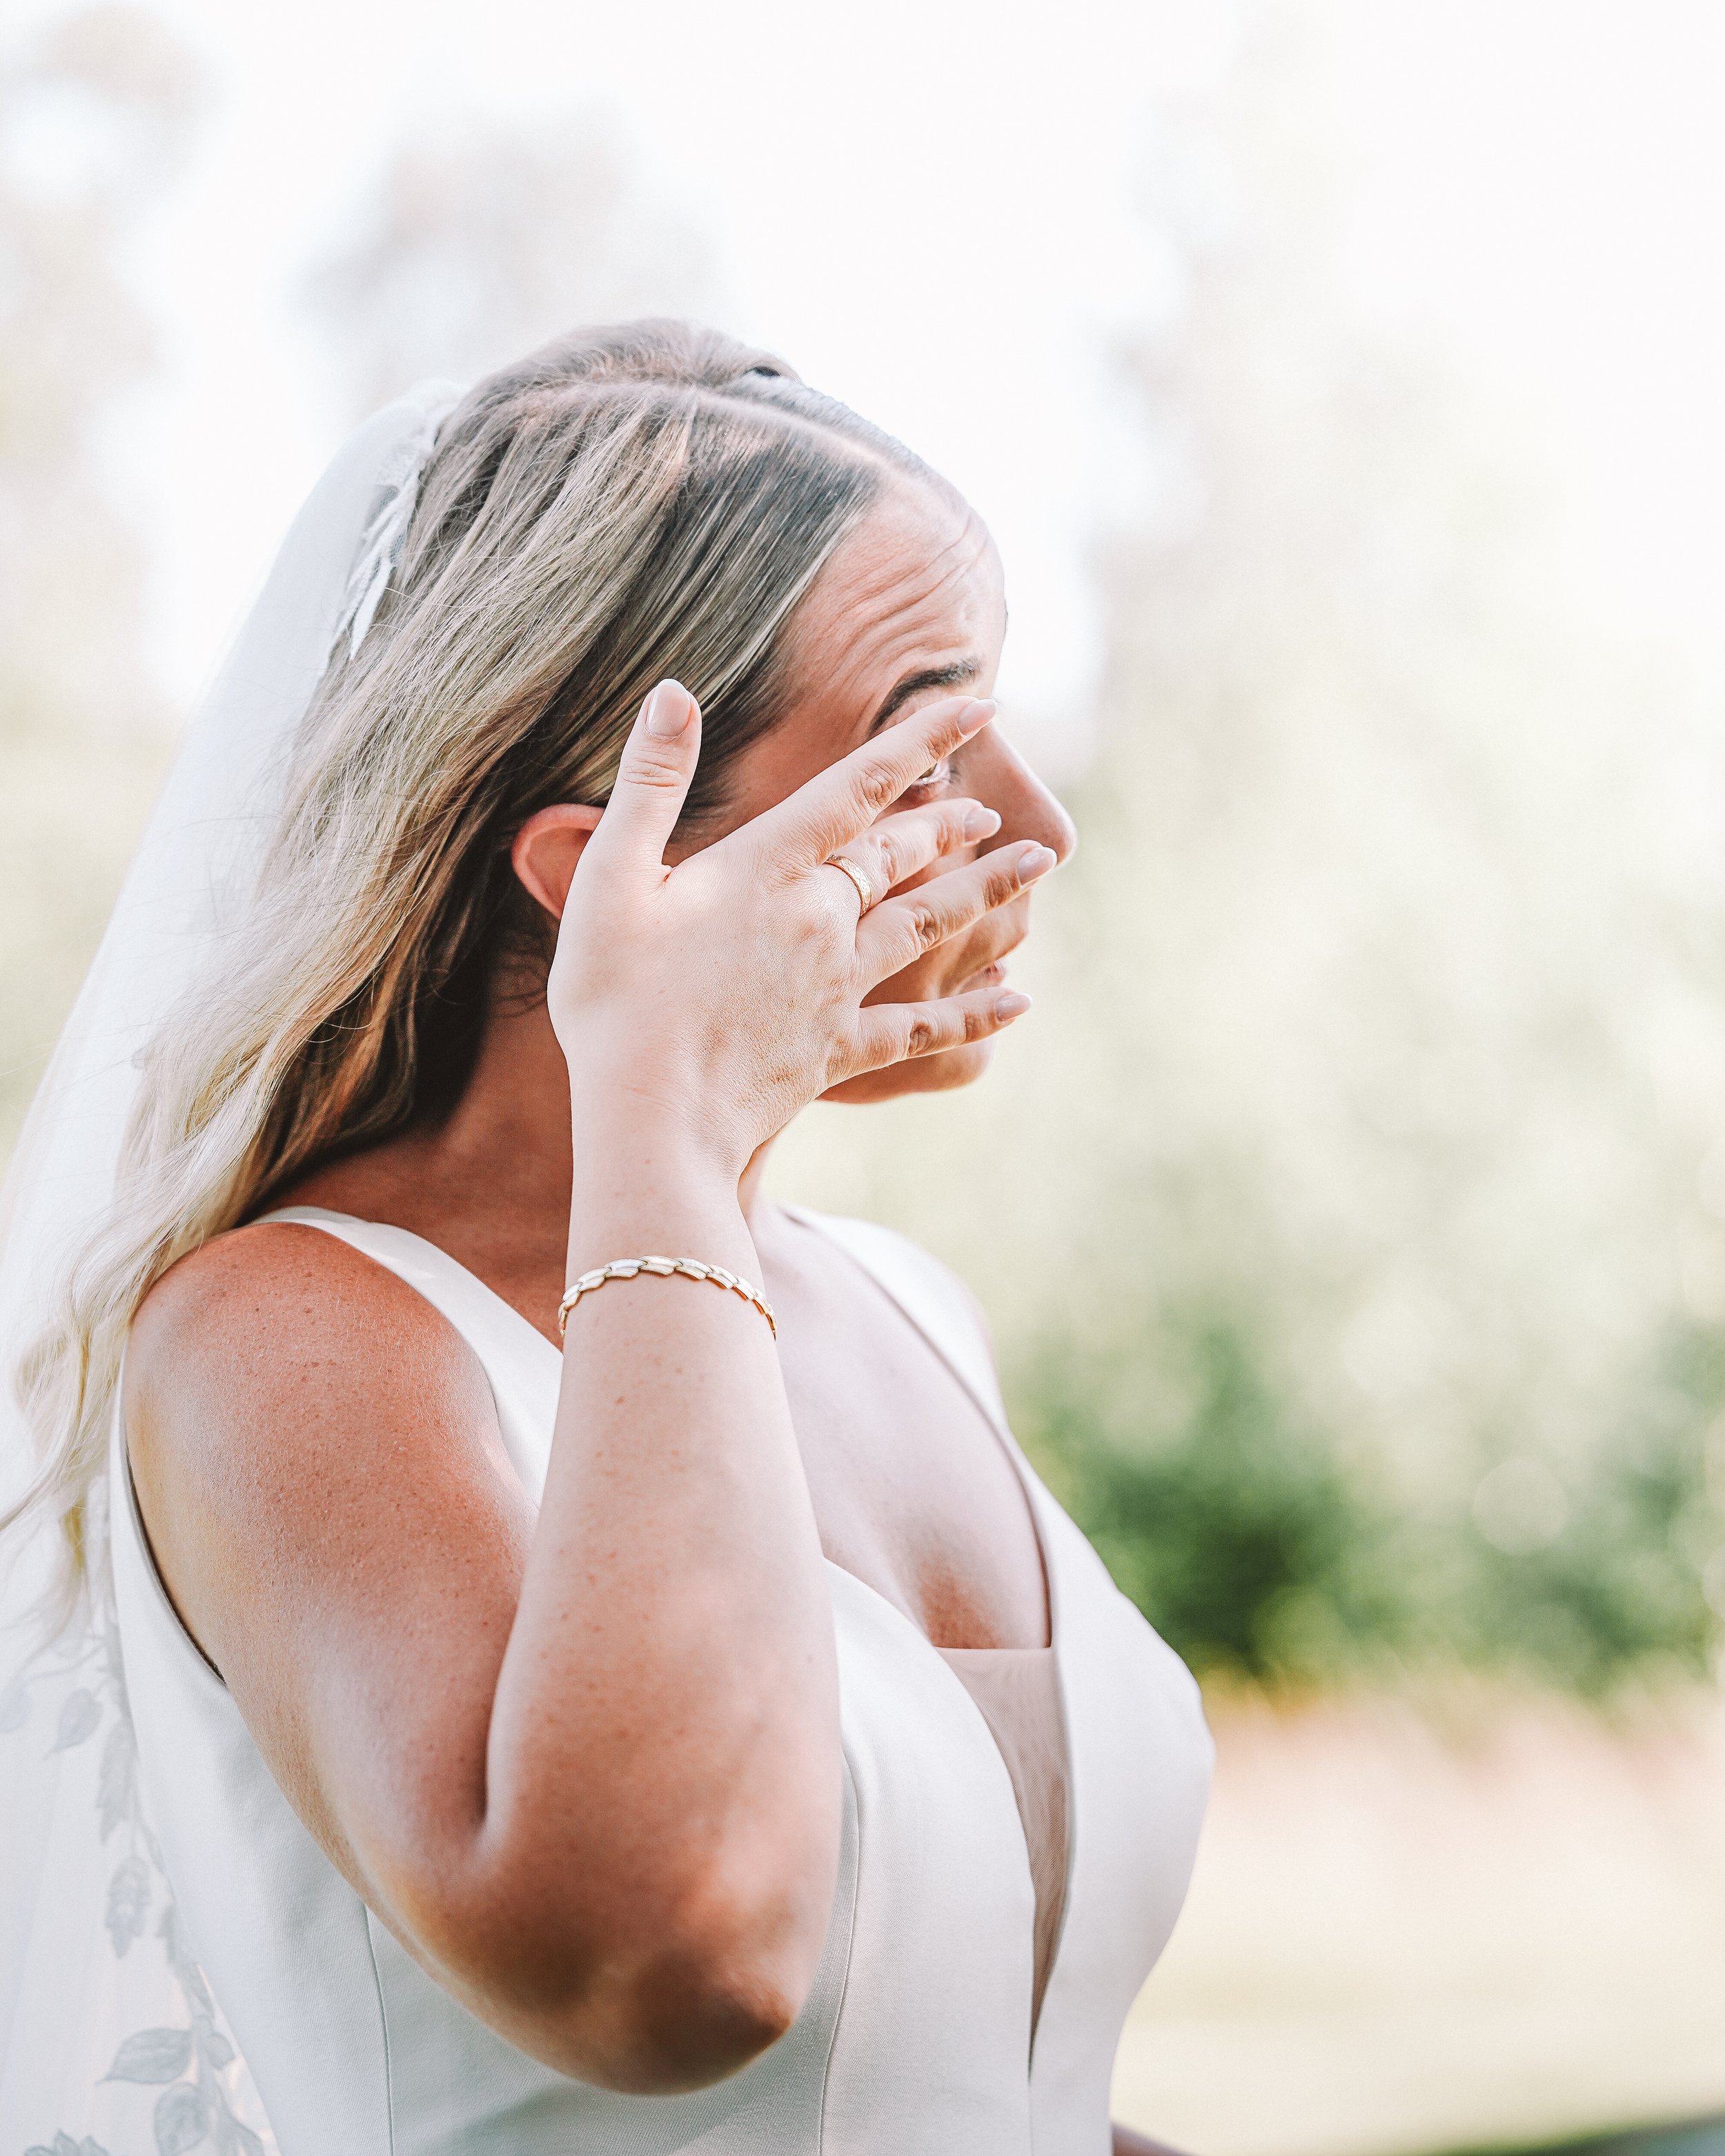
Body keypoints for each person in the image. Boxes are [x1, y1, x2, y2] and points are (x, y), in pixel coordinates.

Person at [0, 322, 1211, 2154]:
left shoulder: (900, 1303)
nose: (1033, 828)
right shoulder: (284, 1340)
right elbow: (671, 1960)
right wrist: (669, 1112)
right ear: (605, 879)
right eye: (924, 754)